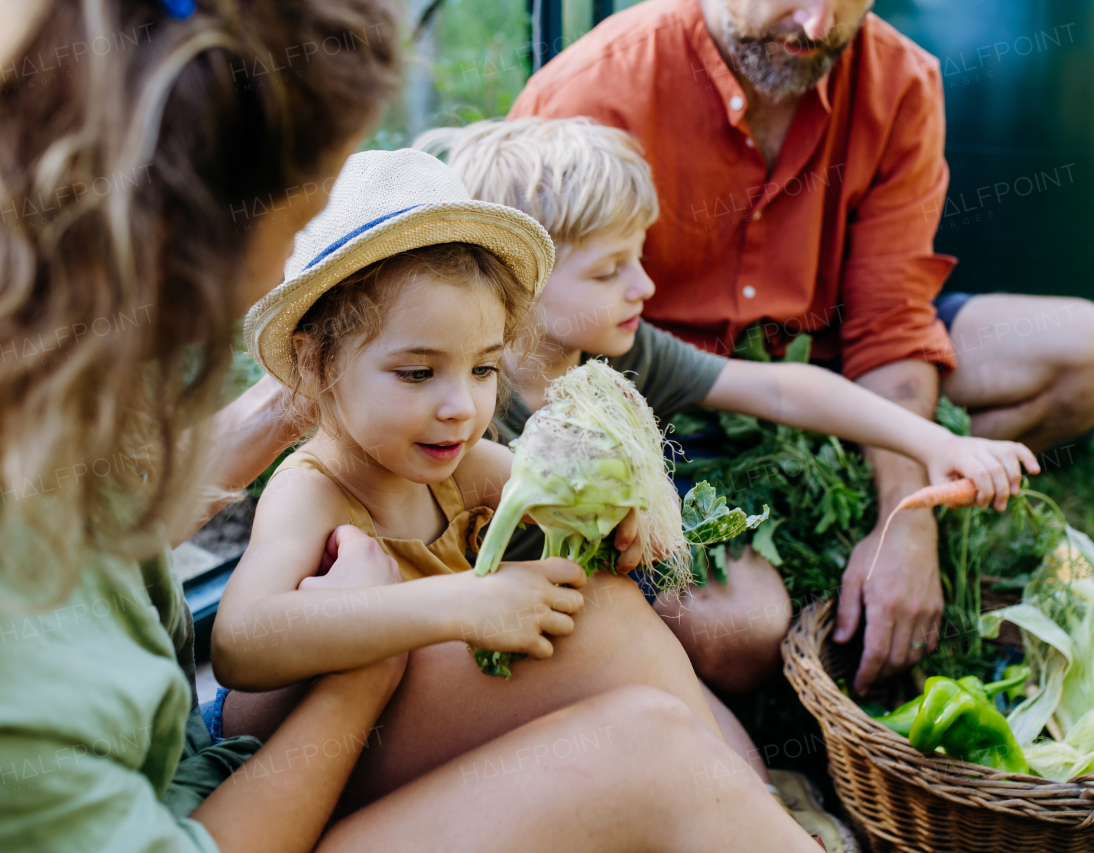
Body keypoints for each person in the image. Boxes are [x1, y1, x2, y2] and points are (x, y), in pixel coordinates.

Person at [0, 3, 821, 853]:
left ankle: (750, 801)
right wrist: (365, 670)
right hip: (218, 803)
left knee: (616, 654)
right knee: (645, 754)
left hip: (198, 760)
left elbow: (124, 507)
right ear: (176, 240)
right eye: (287, 229)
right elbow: (246, 651)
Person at [210, 146, 827, 851]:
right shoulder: (313, 489)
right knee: (613, 629)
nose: (460, 407)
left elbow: (562, 485)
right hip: (306, 756)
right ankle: (749, 815)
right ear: (317, 362)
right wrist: (459, 603)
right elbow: (237, 643)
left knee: (610, 607)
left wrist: (622, 514)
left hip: (403, 725)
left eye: (481, 368)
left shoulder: (462, 467)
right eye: (417, 373)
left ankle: (738, 809)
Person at [508, 0, 1094, 694]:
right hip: (669, 402)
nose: (817, 28)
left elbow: (893, 320)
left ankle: (868, 506)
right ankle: (799, 543)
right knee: (734, 627)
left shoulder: (899, 80)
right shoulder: (594, 89)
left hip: (826, 359)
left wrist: (910, 517)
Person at [416, 116, 1039, 696]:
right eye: (610, 272)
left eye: (639, 257)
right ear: (518, 282)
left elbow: (778, 388)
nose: (645, 286)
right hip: (502, 630)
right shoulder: (466, 395)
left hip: (601, 597)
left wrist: (935, 444)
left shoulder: (622, 358)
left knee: (716, 684)